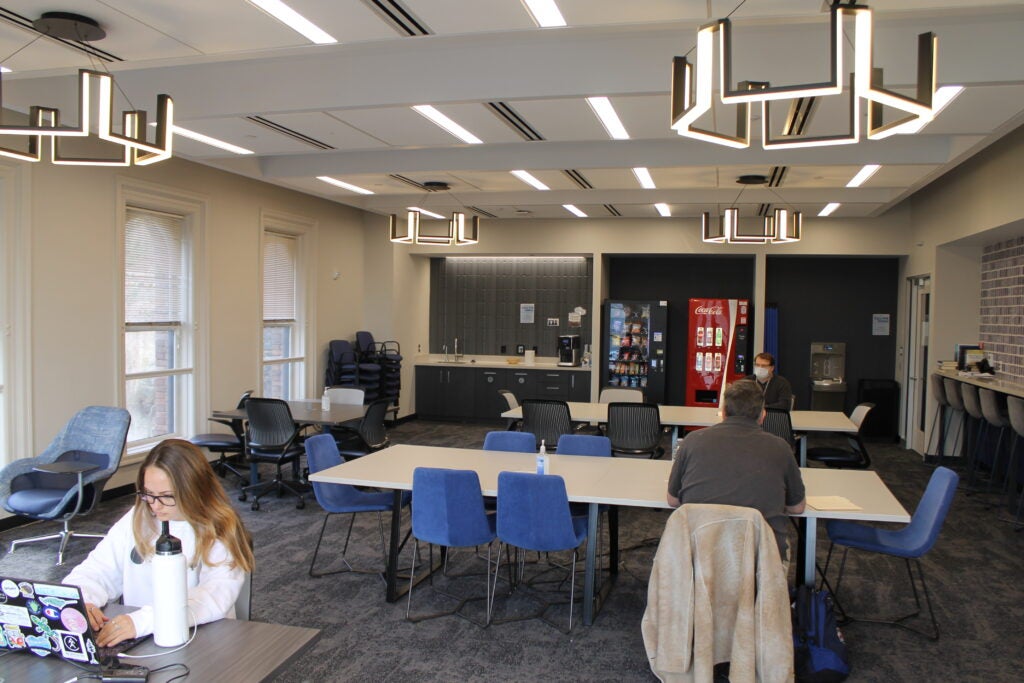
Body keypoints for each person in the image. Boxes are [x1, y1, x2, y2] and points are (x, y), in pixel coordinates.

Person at [65, 439, 255, 647]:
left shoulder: (219, 529)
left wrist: (143, 621)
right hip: (140, 636)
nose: (155, 506)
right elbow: (98, 569)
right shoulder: (138, 518)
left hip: (201, 640)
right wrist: (81, 598)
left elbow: (213, 596)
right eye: (148, 494)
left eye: (166, 496)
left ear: (193, 490)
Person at [666, 379, 805, 562]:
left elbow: (673, 499)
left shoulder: (692, 441)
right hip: (760, 562)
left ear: (723, 413)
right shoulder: (781, 447)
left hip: (701, 556)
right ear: (763, 415)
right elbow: (797, 507)